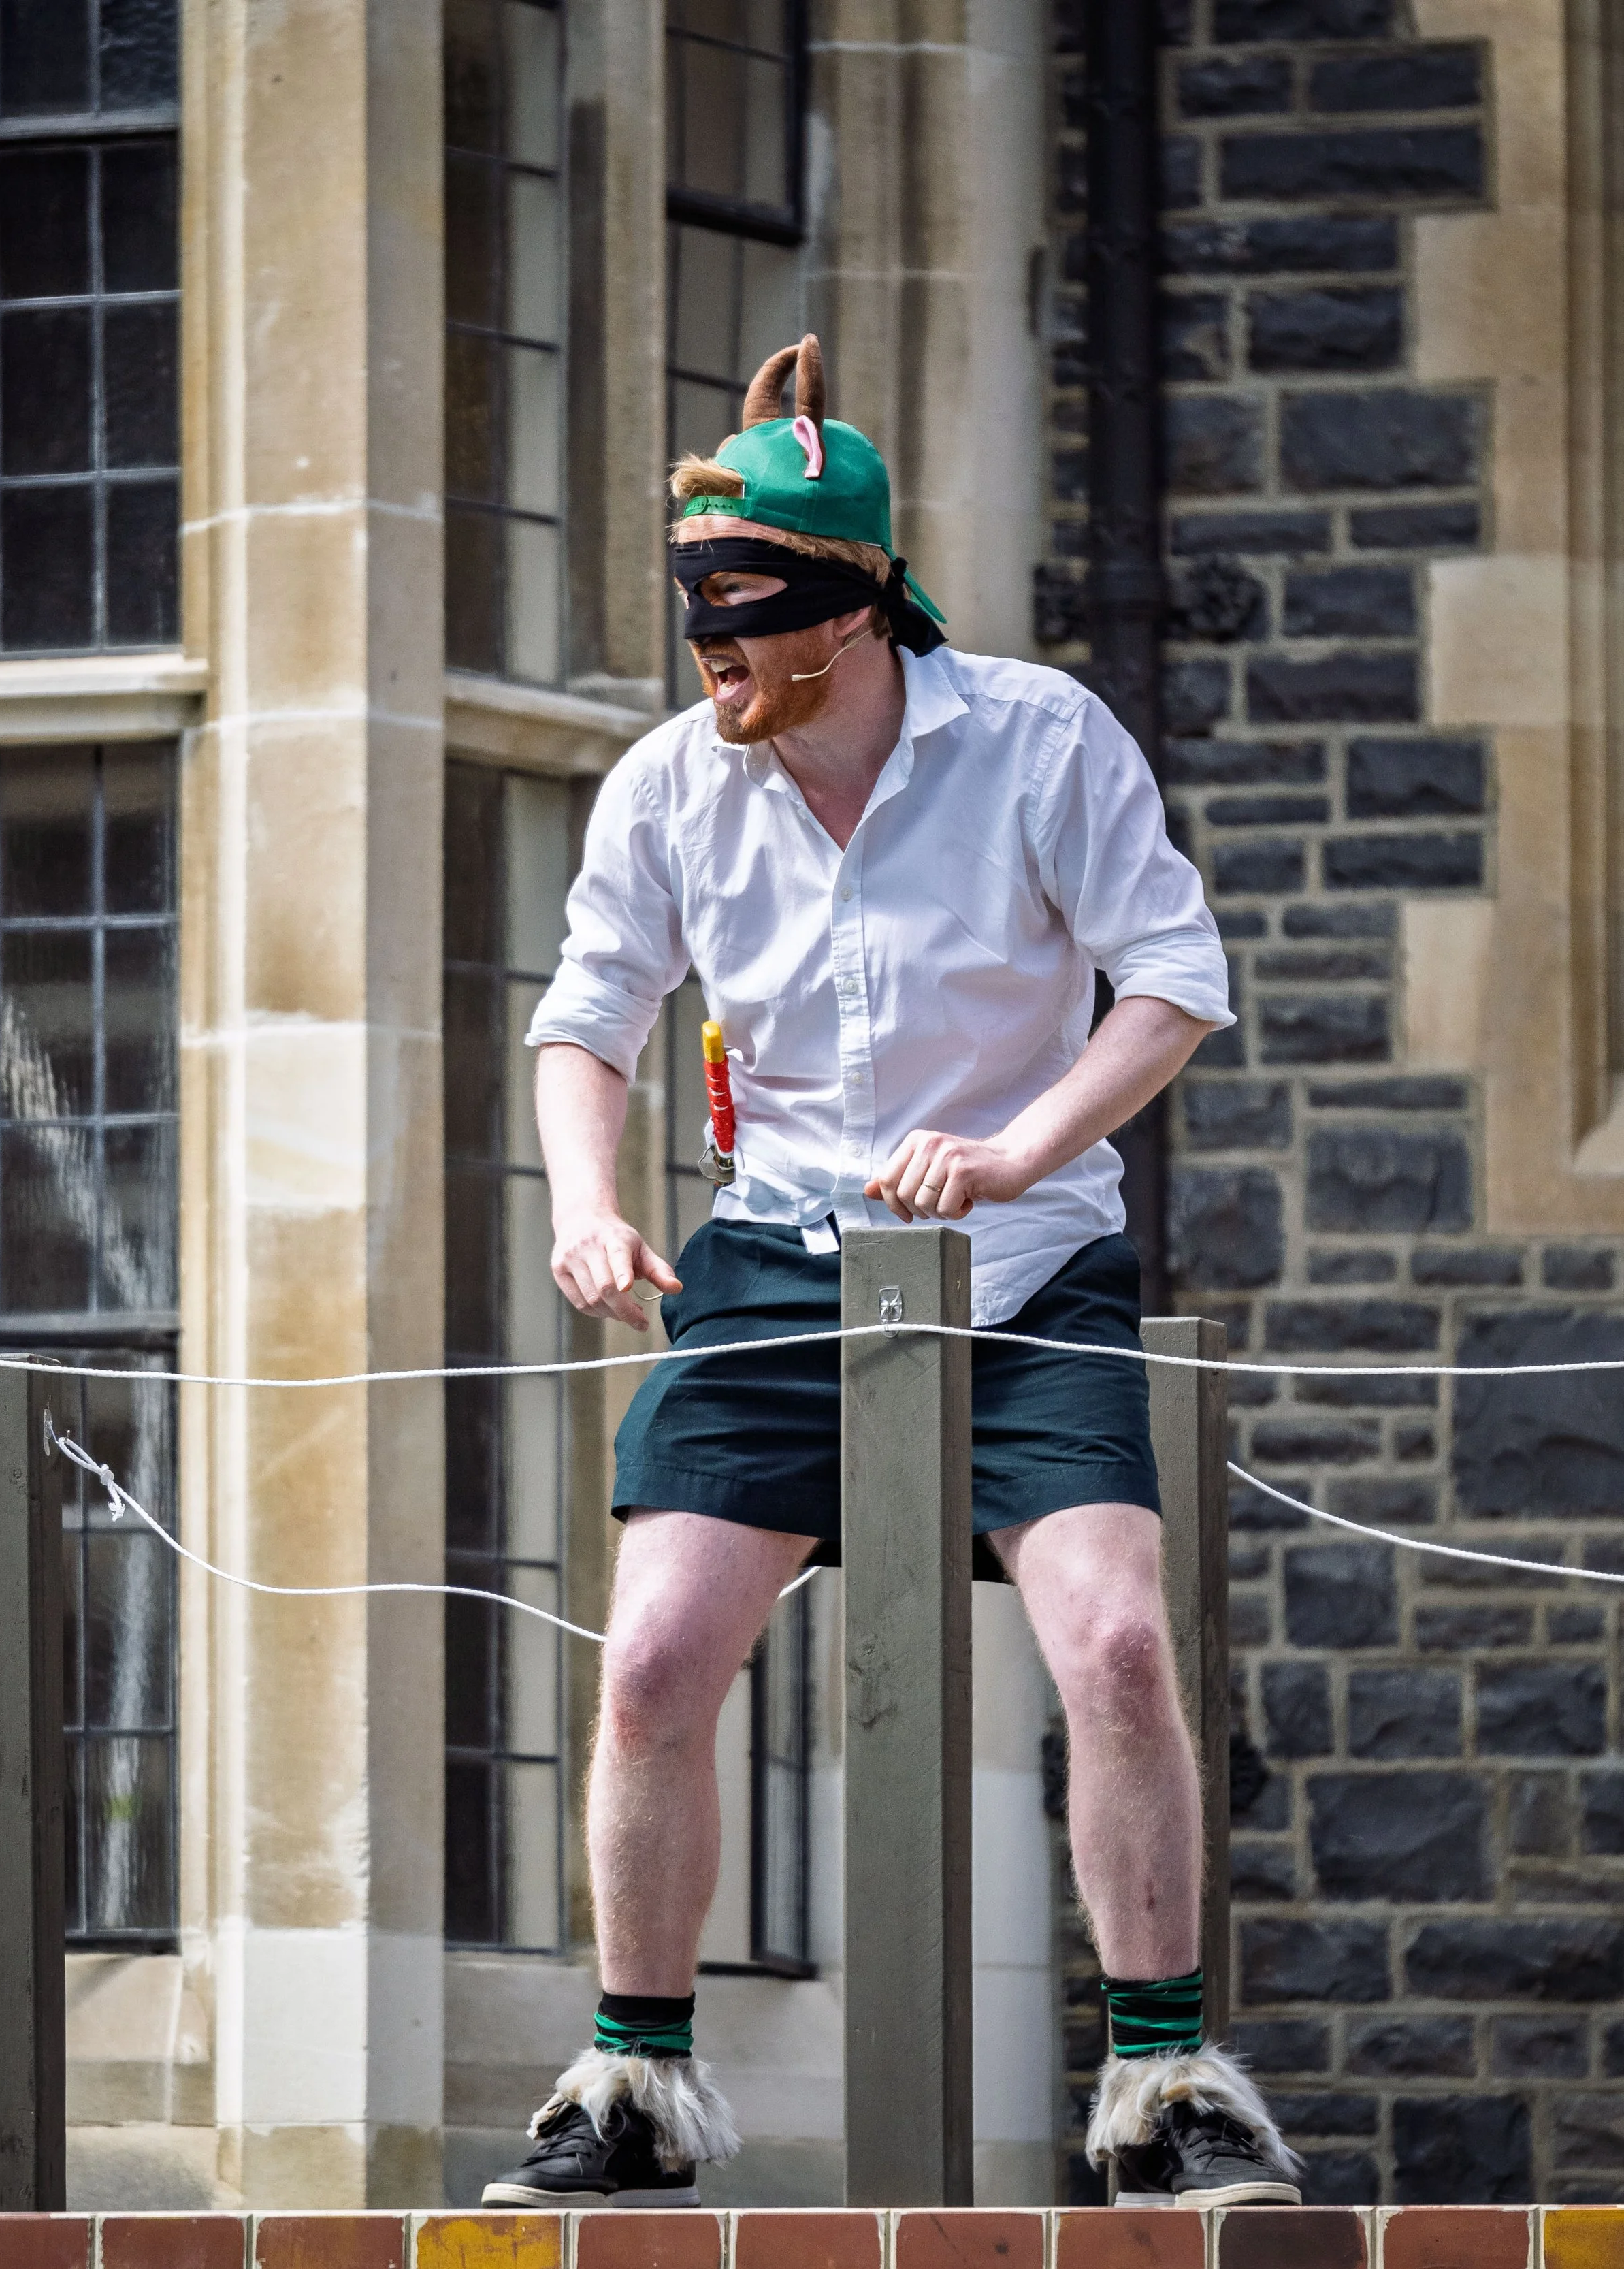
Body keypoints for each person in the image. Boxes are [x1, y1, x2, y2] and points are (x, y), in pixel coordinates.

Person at [480, 336, 1301, 2212]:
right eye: (695, 626)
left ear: (847, 620)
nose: (714, 666)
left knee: (1111, 1637)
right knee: (654, 1663)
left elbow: (1174, 973)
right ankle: (637, 2088)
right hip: (772, 1261)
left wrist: (1016, 1145)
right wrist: (586, 1204)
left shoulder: (1035, 735)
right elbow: (586, 1015)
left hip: (1025, 1264)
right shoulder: (675, 781)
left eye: (747, 629)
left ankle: (1165, 2084)